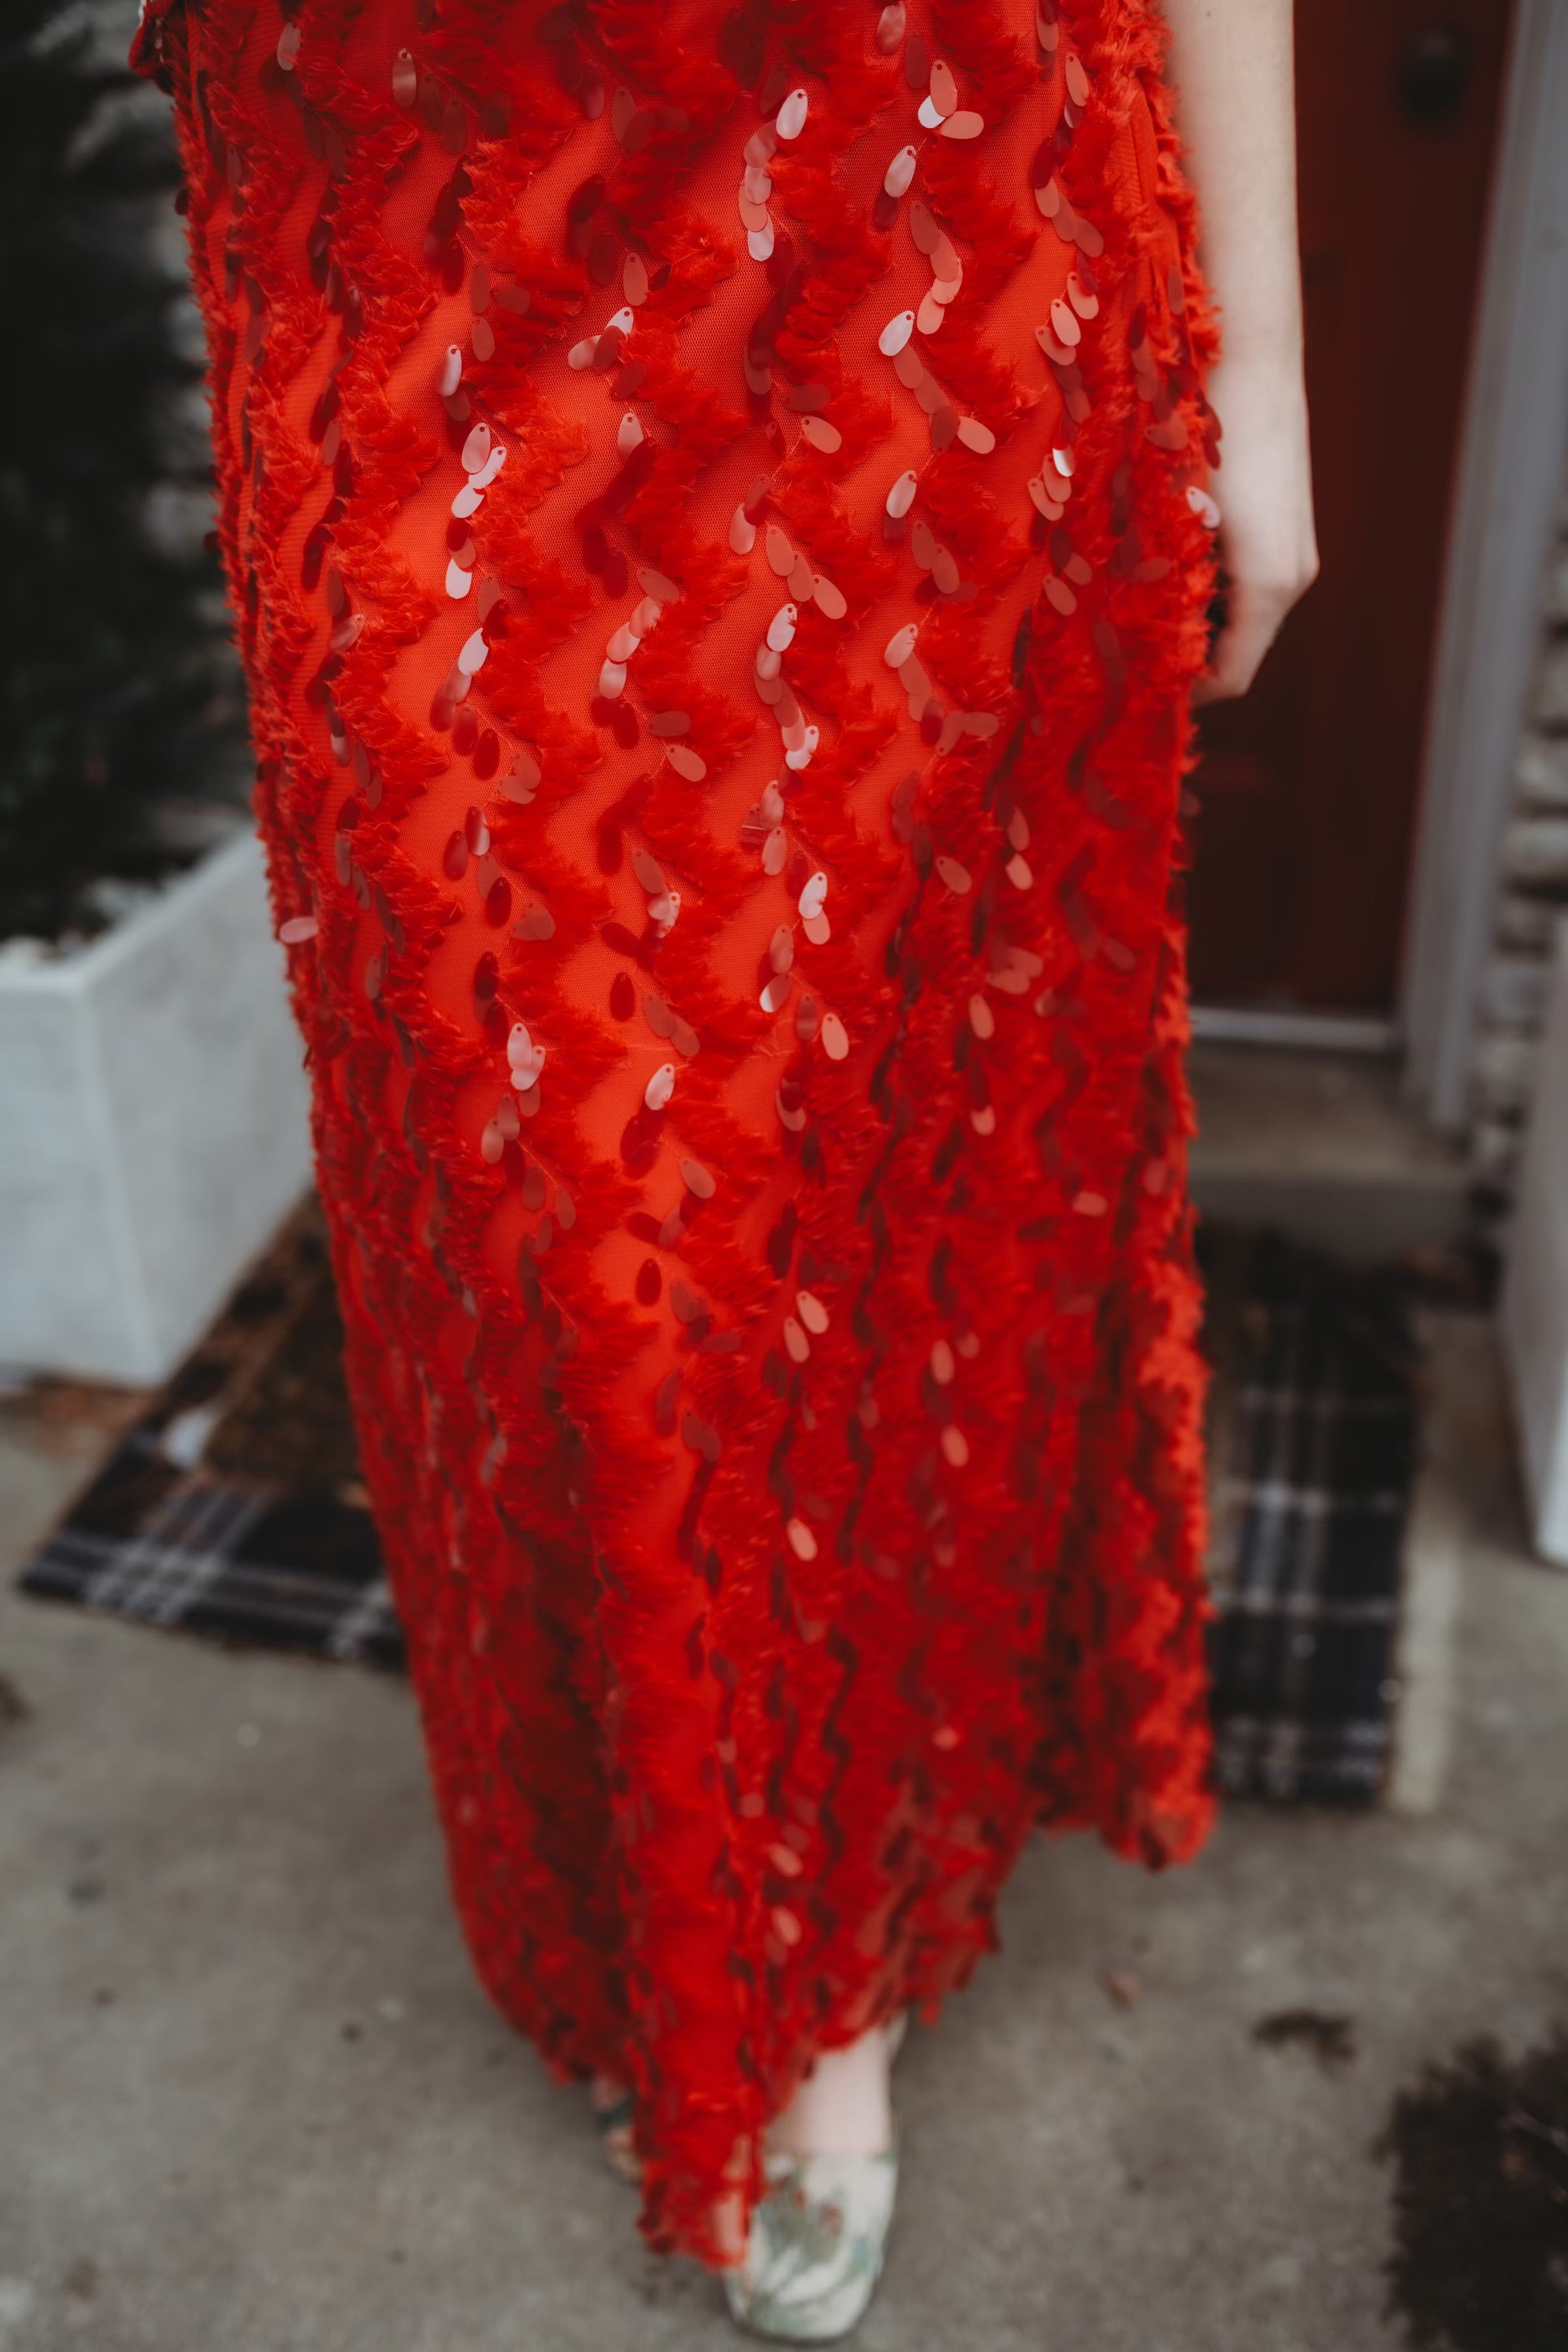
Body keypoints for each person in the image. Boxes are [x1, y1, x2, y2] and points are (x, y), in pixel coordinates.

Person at [131, 0, 1315, 2334]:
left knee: (858, 1174)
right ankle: (652, 1881)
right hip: (407, 214)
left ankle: (811, 1972)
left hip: (908, 217)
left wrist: (1260, 370)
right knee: (539, 1192)